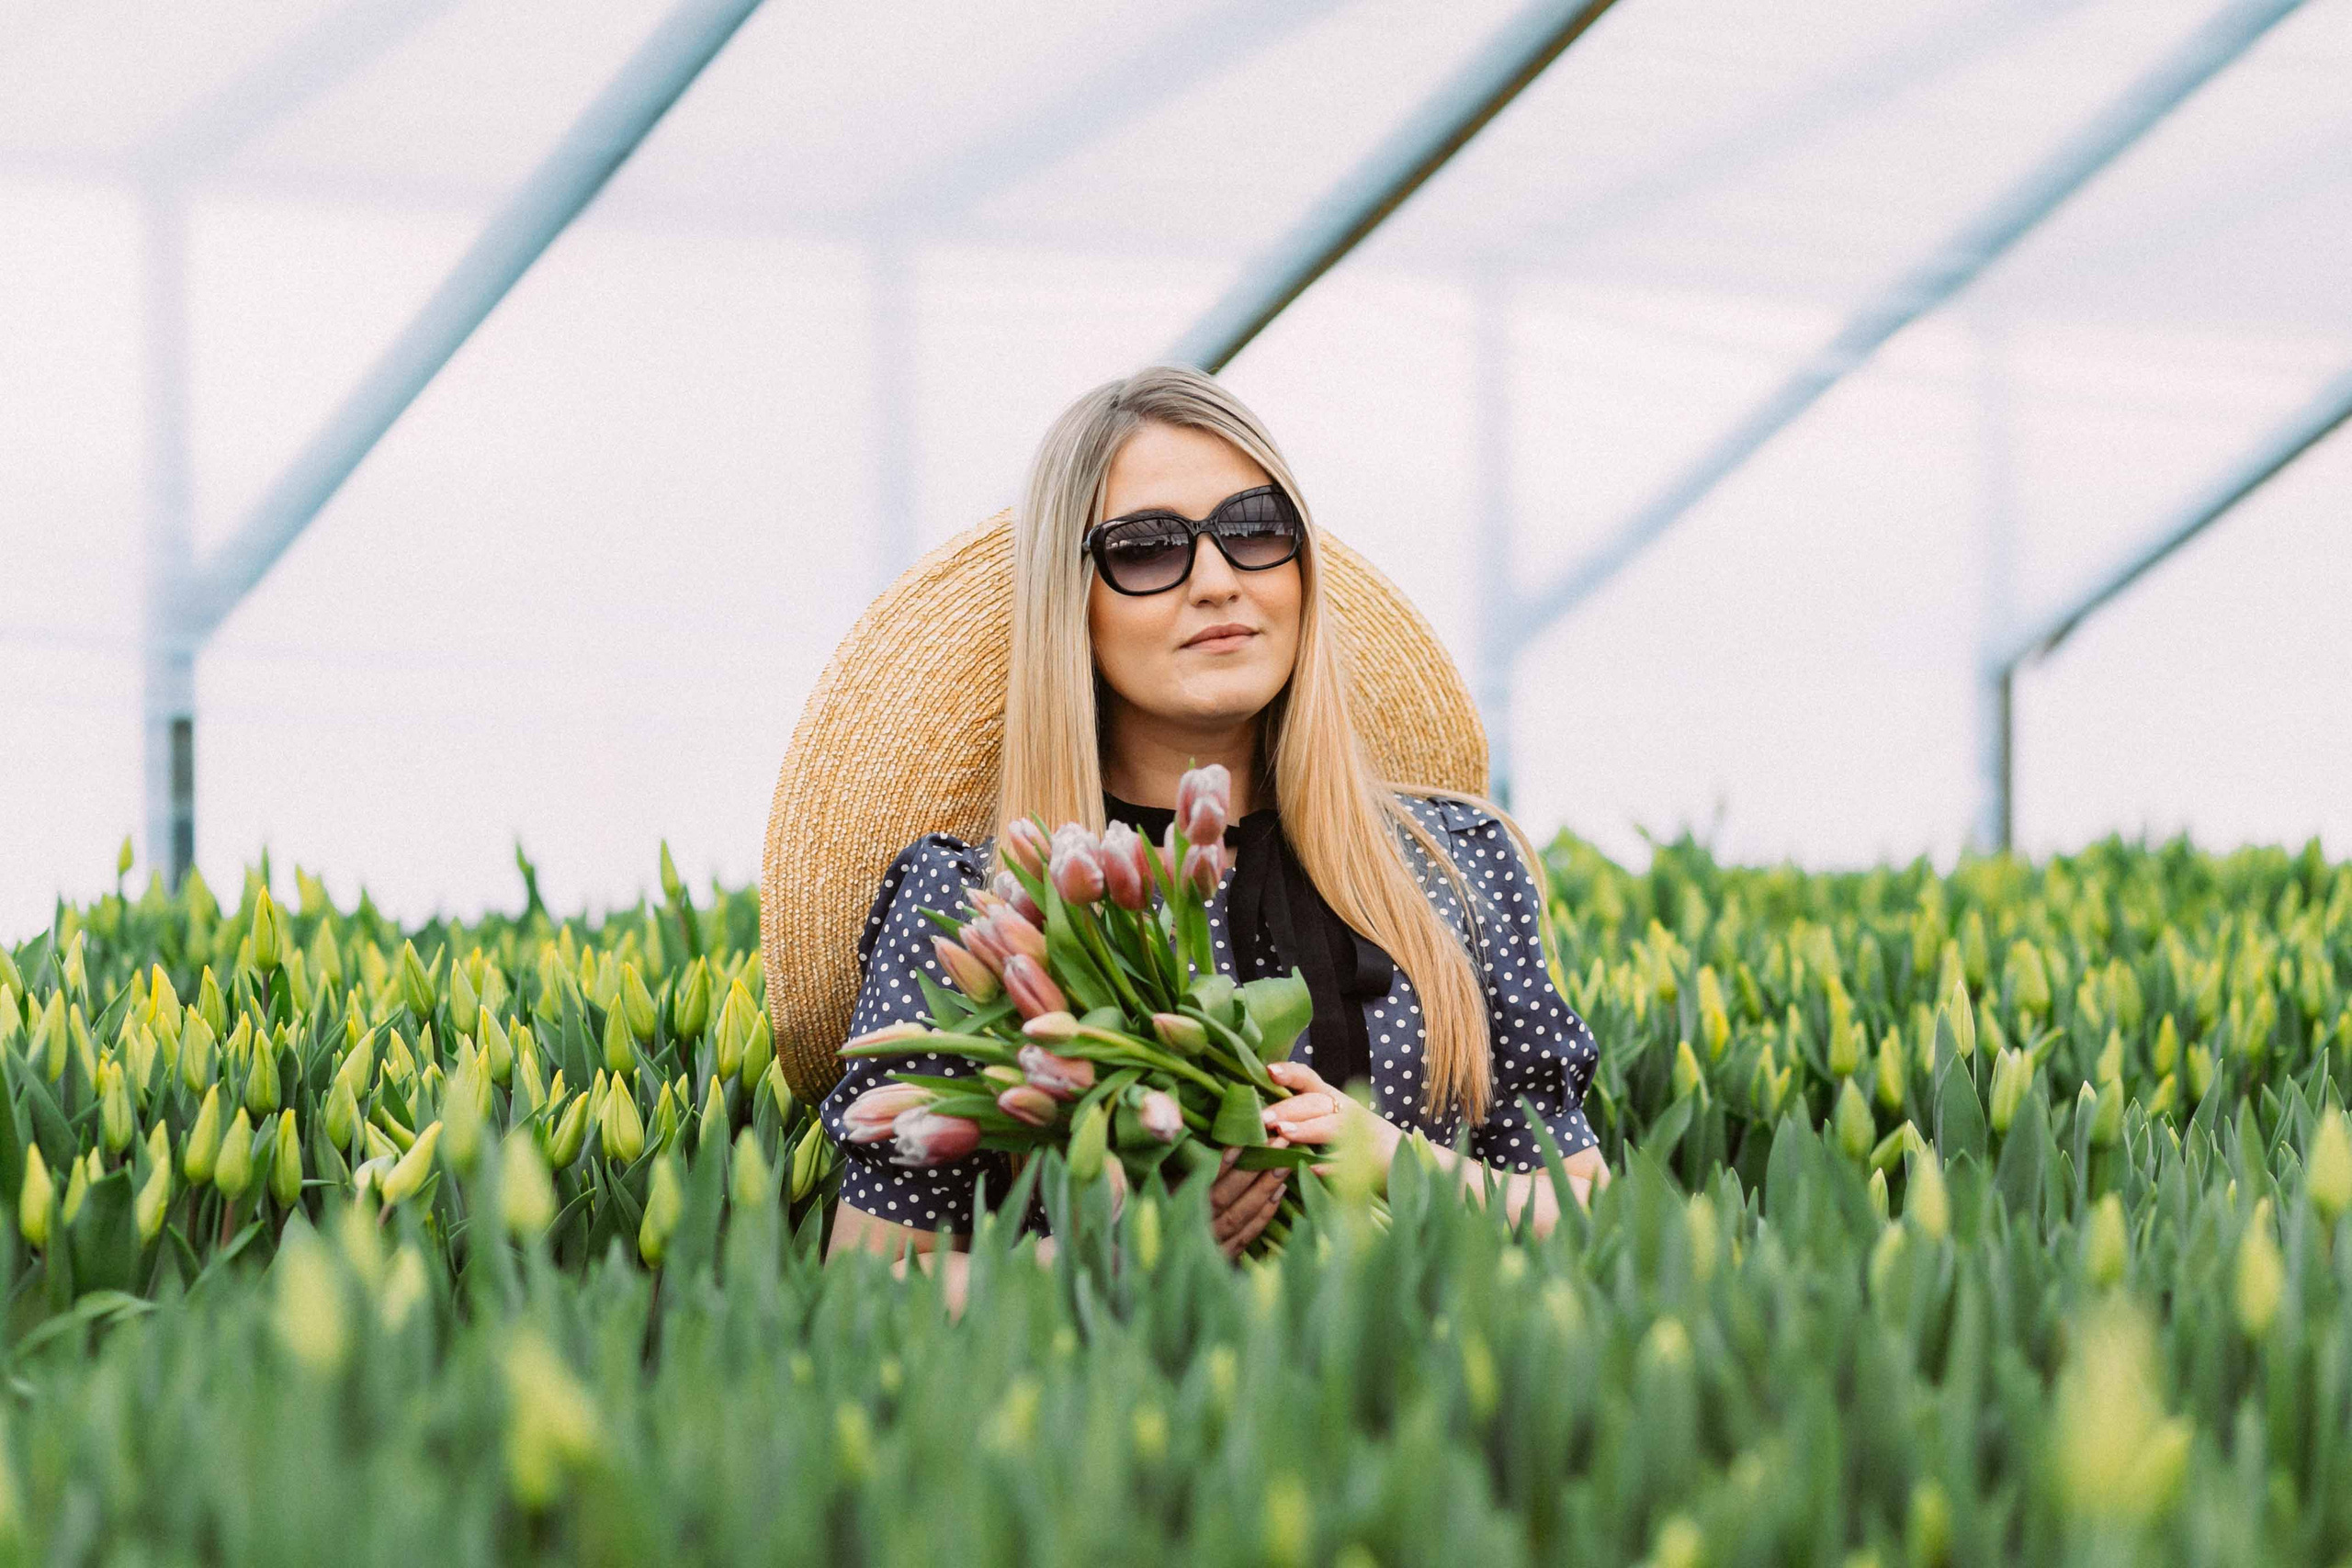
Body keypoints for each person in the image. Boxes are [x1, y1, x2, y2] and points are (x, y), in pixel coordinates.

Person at [819, 363, 1610, 1313]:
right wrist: (1123, 1261)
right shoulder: (979, 909)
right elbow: (866, 1289)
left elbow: (1590, 1216)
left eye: (1253, 530)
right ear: (1071, 601)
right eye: (1147, 549)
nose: (1216, 580)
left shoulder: (1449, 864)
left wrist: (1402, 1169)